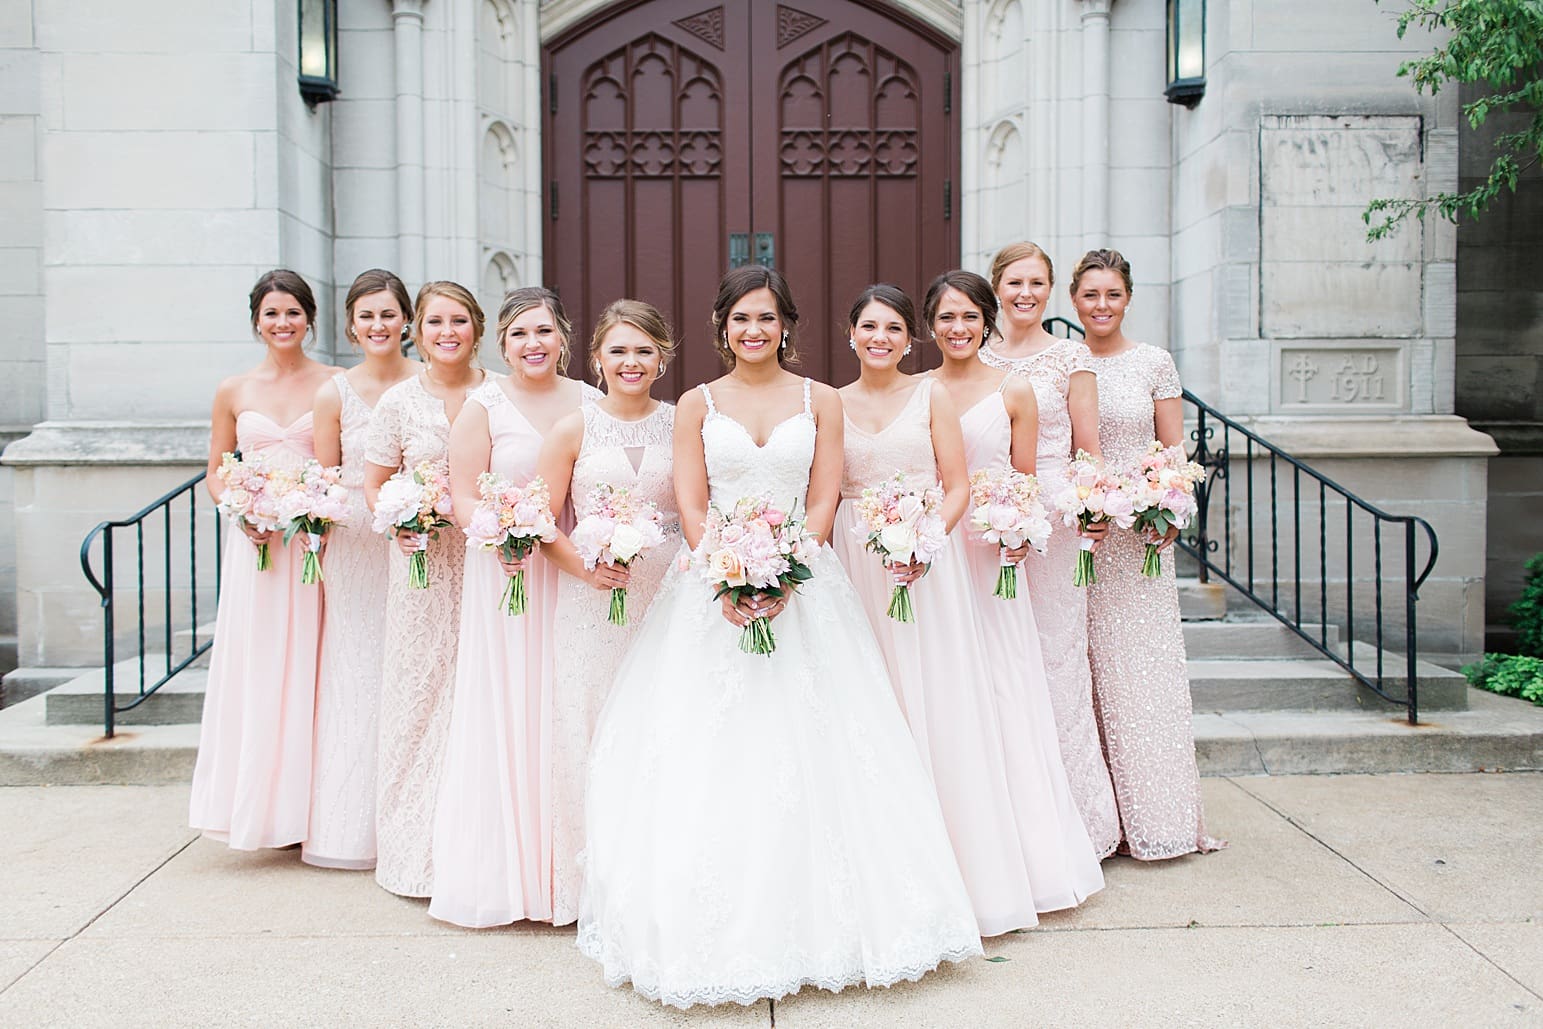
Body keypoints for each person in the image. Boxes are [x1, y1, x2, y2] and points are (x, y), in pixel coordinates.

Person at [578, 266, 980, 1008]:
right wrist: (725, 573)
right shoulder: (695, 404)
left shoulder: (818, 399)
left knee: (822, 748)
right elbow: (692, 499)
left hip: (804, 583)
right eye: (740, 320)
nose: (753, 331)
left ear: (785, 324)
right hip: (711, 590)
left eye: (765, 318)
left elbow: (823, 493)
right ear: (720, 327)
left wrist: (787, 569)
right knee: (711, 751)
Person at [831, 283, 1102, 933]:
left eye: (967, 316)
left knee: (979, 696)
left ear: (985, 323)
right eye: (945, 316)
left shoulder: (981, 393)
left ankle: (1002, 855)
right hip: (884, 551)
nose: (957, 326)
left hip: (958, 549)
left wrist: (997, 528)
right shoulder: (881, 393)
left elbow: (1017, 475)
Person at [427, 287, 600, 927]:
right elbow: (463, 497)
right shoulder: (483, 407)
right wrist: (507, 531)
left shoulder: (589, 401)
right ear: (501, 344)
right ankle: (512, 873)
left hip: (572, 571)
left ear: (564, 338)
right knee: (513, 704)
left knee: (567, 703)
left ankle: (572, 871)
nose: (535, 344)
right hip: (508, 577)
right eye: (521, 334)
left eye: (545, 332)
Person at [1071, 248, 1223, 860]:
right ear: (1074, 302)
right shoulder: (1064, 363)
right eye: (1089, 295)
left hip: (1138, 545)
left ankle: (1157, 818)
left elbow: (1175, 453)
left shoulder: (1153, 363)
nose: (1101, 306)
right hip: (1083, 539)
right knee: (1079, 674)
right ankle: (1096, 821)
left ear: (1127, 298)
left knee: (1141, 674)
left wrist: (1170, 511)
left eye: (1111, 294)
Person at [536, 299, 681, 926]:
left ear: (662, 358)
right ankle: (592, 884)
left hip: (668, 596)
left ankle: (661, 877)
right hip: (593, 602)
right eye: (619, 350)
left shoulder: (683, 424)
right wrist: (587, 571)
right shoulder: (573, 429)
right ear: (596, 357)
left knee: (662, 729)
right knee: (591, 728)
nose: (631, 362)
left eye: (644, 350)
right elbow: (542, 522)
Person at [979, 242, 1121, 858]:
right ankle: (1011, 820)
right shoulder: (976, 355)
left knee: (1057, 663)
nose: (1025, 293)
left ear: (1050, 289)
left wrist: (1089, 507)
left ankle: (1080, 826)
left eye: (1037, 282)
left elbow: (1087, 448)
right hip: (991, 522)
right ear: (997, 287)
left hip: (1057, 522)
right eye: (1014, 282)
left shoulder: (1072, 358)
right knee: (999, 664)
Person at [189, 269, 335, 850]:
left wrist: (314, 509)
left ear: (310, 319)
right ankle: (258, 805)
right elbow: (215, 473)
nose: (283, 323)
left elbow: (338, 465)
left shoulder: (334, 383)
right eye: (272, 313)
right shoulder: (233, 390)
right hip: (257, 548)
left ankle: (313, 808)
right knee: (260, 665)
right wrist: (242, 509)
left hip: (314, 543)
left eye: (293, 312)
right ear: (256, 320)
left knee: (316, 663)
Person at [363, 281, 485, 897]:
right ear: (417, 328)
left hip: (491, 564)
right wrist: (399, 523)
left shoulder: (498, 394)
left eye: (458, 320)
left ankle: (479, 843)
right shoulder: (398, 404)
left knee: (481, 694)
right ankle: (415, 850)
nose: (447, 332)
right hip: (423, 568)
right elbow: (377, 483)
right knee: (420, 697)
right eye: (435, 321)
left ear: (477, 328)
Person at [302, 269, 419, 871]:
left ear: (407, 322)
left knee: (414, 668)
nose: (378, 325)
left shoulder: (428, 383)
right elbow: (325, 479)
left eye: (389, 314)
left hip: (421, 540)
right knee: (357, 668)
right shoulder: (335, 392)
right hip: (353, 542)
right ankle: (352, 828)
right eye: (366, 316)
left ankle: (413, 819)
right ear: (351, 325)